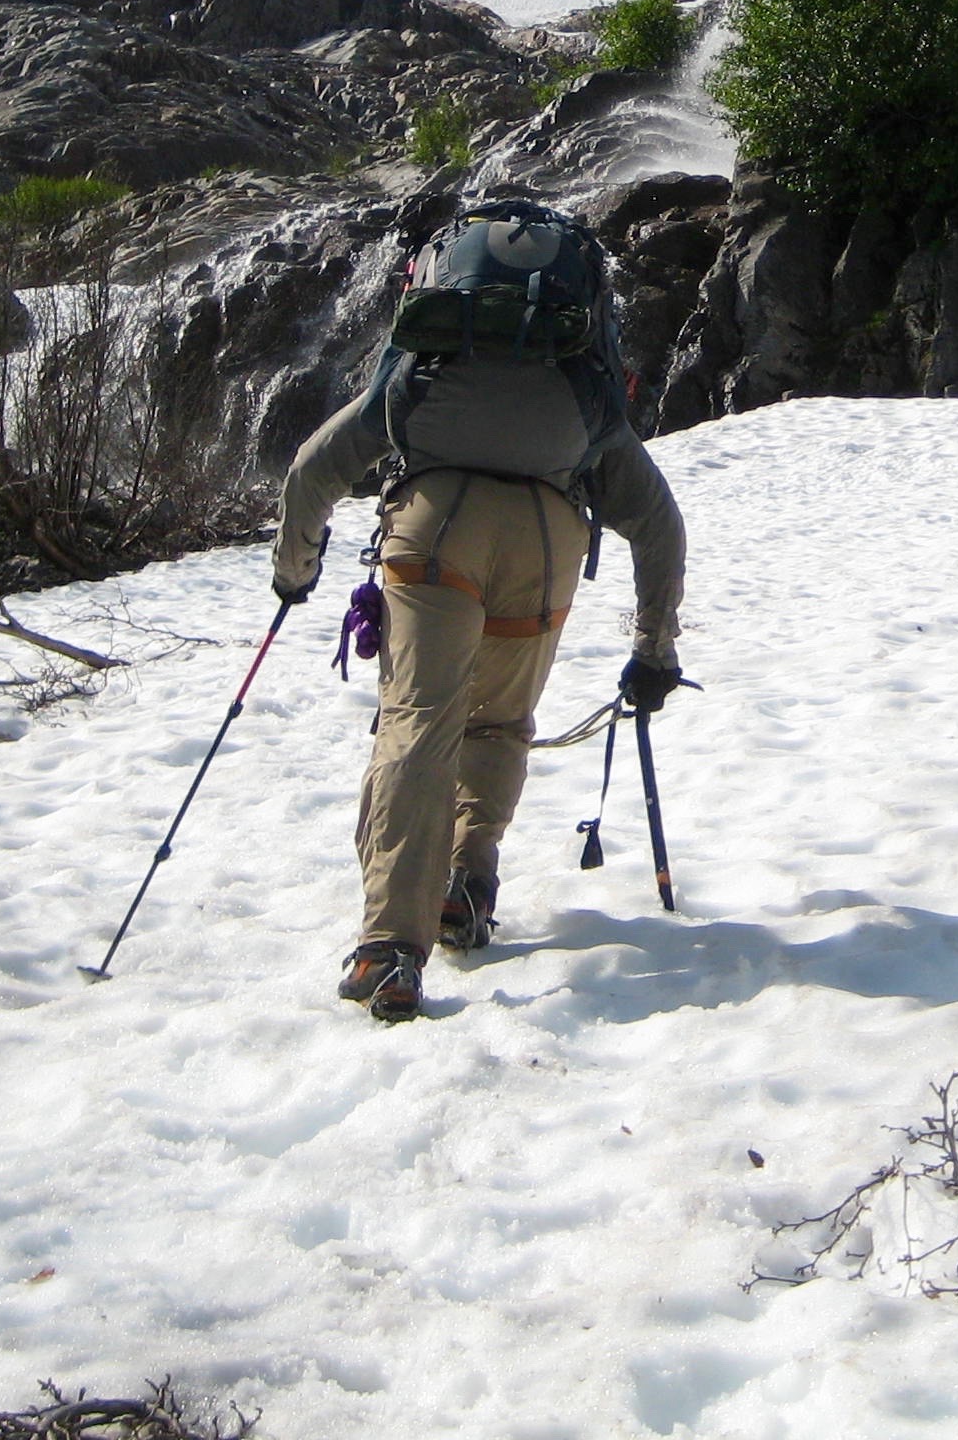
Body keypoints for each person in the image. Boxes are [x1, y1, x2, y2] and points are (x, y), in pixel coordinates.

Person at [272, 200, 687, 1024]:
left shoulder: (422, 364)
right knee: (496, 724)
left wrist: (295, 572)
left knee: (418, 725)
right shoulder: (580, 374)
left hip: (434, 531)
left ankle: (391, 946)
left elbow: (312, 469)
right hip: (547, 541)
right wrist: (654, 646)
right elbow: (658, 524)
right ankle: (466, 883)